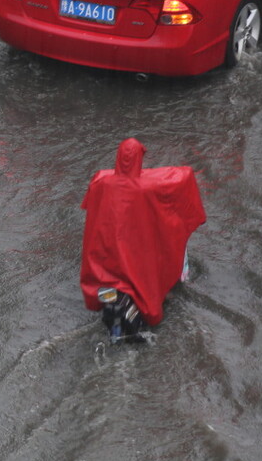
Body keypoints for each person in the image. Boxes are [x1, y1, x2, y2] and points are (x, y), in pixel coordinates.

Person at [80, 137, 206, 327]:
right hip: (134, 244)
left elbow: (93, 201)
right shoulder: (147, 188)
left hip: (110, 245)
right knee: (146, 267)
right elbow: (179, 177)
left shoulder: (102, 182)